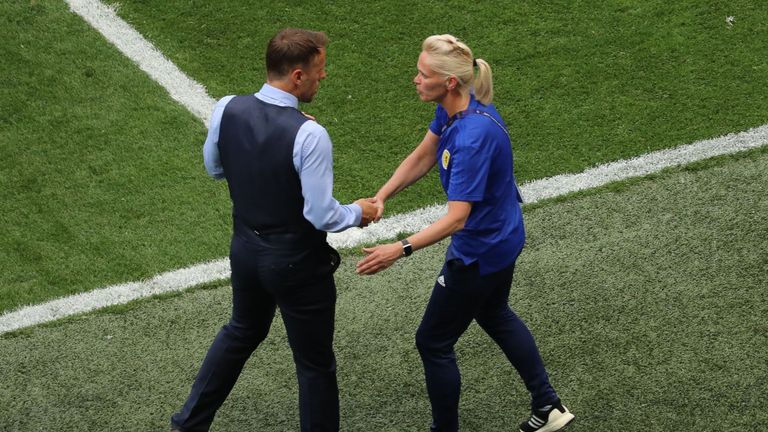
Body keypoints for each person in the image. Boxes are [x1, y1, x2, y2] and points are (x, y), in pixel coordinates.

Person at [356, 34, 575, 432]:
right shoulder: (457, 109)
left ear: (449, 82)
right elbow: (424, 154)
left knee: (433, 342)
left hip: (479, 252)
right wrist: (383, 195)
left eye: (423, 74)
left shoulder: (472, 139)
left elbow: (457, 219)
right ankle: (548, 405)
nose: (415, 80)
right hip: (503, 236)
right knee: (494, 312)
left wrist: (399, 248)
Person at [170, 28, 378, 432]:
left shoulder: (227, 107)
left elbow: (215, 168)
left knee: (241, 331)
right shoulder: (309, 133)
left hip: (246, 252)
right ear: (297, 76)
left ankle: (187, 424)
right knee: (315, 364)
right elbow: (321, 215)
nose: (324, 76)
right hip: (297, 264)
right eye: (319, 70)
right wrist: (360, 212)